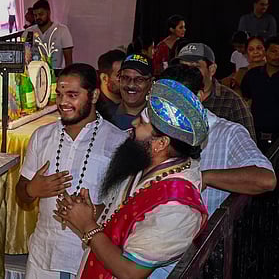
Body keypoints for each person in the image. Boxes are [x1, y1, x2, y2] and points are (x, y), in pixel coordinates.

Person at [56, 79, 209, 278]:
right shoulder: (146, 166)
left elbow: (130, 272)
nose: (134, 123)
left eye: (143, 122)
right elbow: (124, 217)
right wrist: (92, 213)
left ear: (161, 143)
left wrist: (87, 225)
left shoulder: (177, 208)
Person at [144, 65, 275, 278]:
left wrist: (204, 177)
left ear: (199, 97)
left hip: (198, 259)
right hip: (148, 250)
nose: (170, 108)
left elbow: (265, 179)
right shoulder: (149, 129)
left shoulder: (227, 133)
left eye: (178, 100)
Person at [16, 64, 126, 279]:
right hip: (43, 256)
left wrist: (94, 212)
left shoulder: (117, 142)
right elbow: (21, 193)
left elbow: (123, 207)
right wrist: (32, 189)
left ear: (94, 96)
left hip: (88, 258)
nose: (63, 102)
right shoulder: (42, 136)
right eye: (59, 94)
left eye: (72, 95)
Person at [173, 42, 256, 139]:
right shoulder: (174, 97)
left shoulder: (232, 102)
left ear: (212, 69)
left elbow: (248, 144)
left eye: (195, 67)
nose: (187, 72)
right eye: (183, 67)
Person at [241, 35, 279, 149]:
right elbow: (245, 101)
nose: (277, 56)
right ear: (265, 52)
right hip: (254, 137)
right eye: (273, 51)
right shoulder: (252, 76)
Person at [107, 54, 154, 131]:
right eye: (125, 78)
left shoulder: (156, 122)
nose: (131, 85)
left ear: (151, 82)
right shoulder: (105, 116)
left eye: (139, 79)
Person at [26, 0, 74, 69]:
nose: (38, 17)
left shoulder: (62, 30)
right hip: (34, 72)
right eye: (35, 15)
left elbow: (68, 60)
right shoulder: (29, 31)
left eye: (41, 14)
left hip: (56, 72)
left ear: (48, 13)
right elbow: (24, 55)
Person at [96, 50, 125, 122]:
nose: (127, 80)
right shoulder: (95, 109)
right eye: (119, 76)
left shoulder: (134, 100)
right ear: (104, 78)